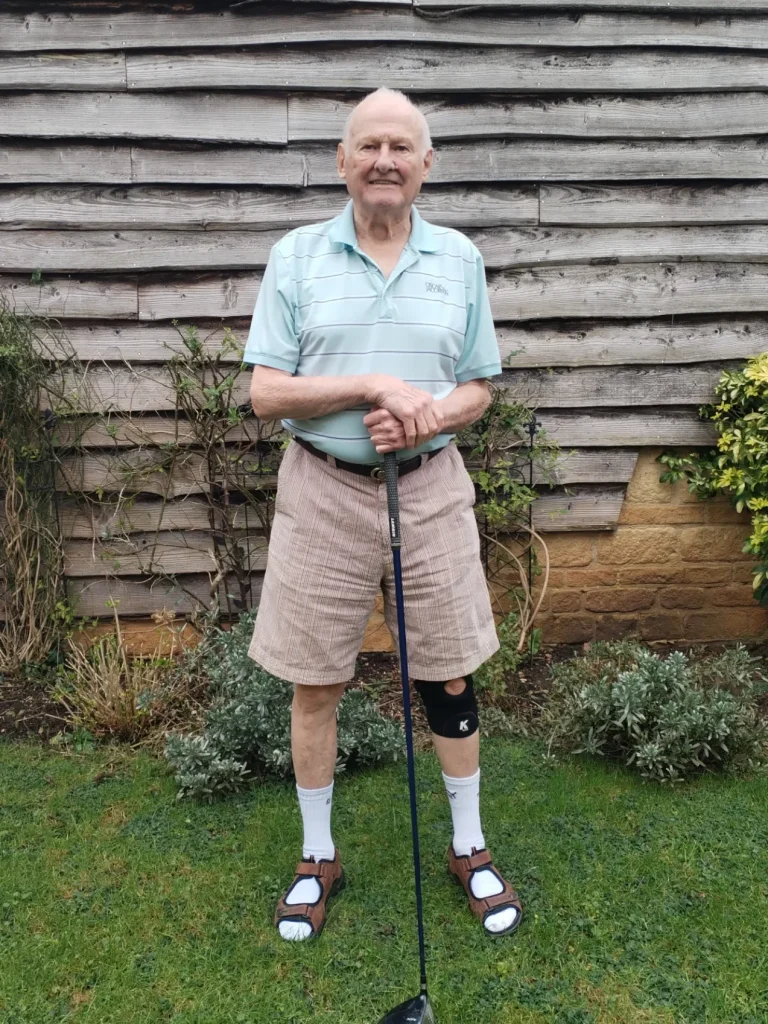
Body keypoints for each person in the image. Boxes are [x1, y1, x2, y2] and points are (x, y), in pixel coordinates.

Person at [245, 87, 522, 942]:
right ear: (342, 160)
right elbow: (264, 393)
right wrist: (371, 385)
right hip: (323, 488)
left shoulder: (460, 259)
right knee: (316, 678)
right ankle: (317, 856)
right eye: (368, 145)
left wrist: (433, 413)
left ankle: (469, 847)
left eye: (402, 146)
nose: (385, 161)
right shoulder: (295, 256)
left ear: (426, 165)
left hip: (432, 486)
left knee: (448, 671)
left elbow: (479, 383)